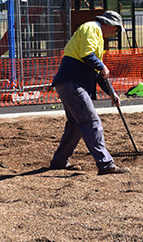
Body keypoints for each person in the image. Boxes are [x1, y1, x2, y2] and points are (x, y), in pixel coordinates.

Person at [49, 11, 130, 175]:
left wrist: (112, 93)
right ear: (108, 24)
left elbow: (96, 72)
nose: (115, 34)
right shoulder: (91, 28)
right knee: (91, 122)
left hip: (67, 84)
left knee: (76, 125)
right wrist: (101, 65)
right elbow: (86, 55)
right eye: (115, 30)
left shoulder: (98, 37)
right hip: (73, 83)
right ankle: (105, 164)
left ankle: (59, 161)